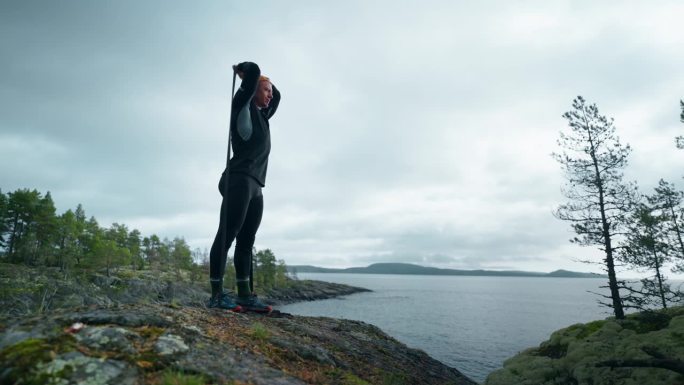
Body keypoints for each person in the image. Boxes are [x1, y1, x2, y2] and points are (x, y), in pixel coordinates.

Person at [207, 61, 280, 313]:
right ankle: (216, 295)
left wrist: (267, 84)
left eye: (270, 90)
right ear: (252, 90)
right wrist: (246, 72)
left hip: (256, 186)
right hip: (238, 179)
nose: (270, 95)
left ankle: (245, 295)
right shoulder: (242, 107)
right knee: (226, 236)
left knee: (247, 241)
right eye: (265, 90)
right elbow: (254, 72)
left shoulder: (262, 114)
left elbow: (278, 96)